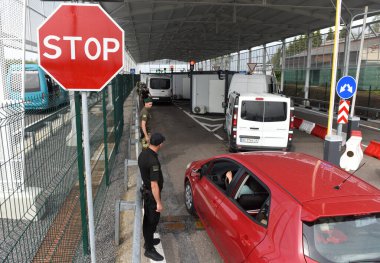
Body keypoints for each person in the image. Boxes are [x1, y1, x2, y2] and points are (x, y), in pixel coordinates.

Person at [138, 133, 166, 261]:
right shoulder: (153, 161)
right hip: (152, 196)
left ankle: (148, 241)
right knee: (151, 221)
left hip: (147, 192)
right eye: (162, 143)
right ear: (159, 144)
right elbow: (154, 185)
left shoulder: (143, 154)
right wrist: (158, 203)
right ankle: (149, 249)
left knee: (148, 220)